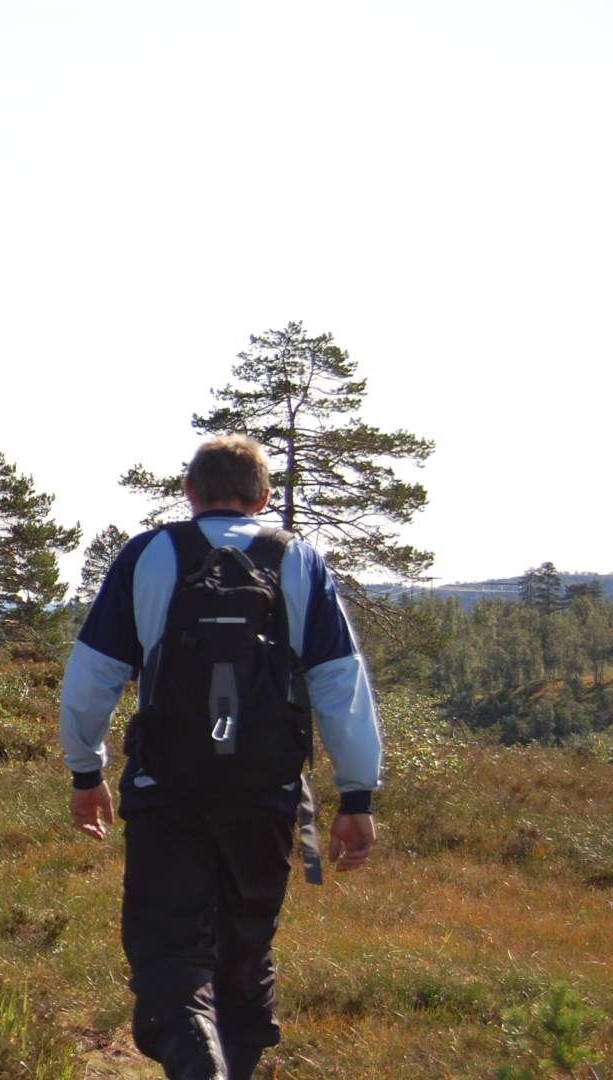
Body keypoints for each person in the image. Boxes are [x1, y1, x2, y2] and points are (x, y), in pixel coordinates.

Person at [61, 435, 383, 1079]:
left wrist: (86, 771)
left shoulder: (148, 555)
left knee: (168, 950)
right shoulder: (299, 561)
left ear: (191, 493)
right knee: (246, 951)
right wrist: (357, 796)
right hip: (264, 793)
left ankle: (194, 1060)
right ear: (263, 497)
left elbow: (93, 675)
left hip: (165, 790)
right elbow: (339, 684)